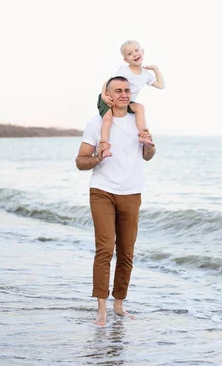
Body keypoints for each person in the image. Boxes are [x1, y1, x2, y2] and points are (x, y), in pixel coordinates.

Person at [76, 76, 156, 325]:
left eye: (127, 90)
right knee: (105, 248)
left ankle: (119, 305)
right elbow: (80, 161)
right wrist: (97, 158)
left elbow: (148, 156)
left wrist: (149, 144)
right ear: (108, 95)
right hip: (102, 190)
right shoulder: (97, 122)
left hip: (131, 192)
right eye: (118, 90)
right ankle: (101, 309)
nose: (124, 94)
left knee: (126, 252)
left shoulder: (138, 120)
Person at [97, 40, 165, 158]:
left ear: (142, 52)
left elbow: (161, 85)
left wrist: (156, 69)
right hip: (110, 99)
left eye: (136, 50)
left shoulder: (145, 75)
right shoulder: (124, 71)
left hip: (126, 102)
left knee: (140, 108)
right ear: (126, 59)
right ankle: (104, 146)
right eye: (129, 54)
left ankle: (143, 136)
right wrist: (104, 95)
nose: (134, 54)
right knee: (107, 119)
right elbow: (108, 82)